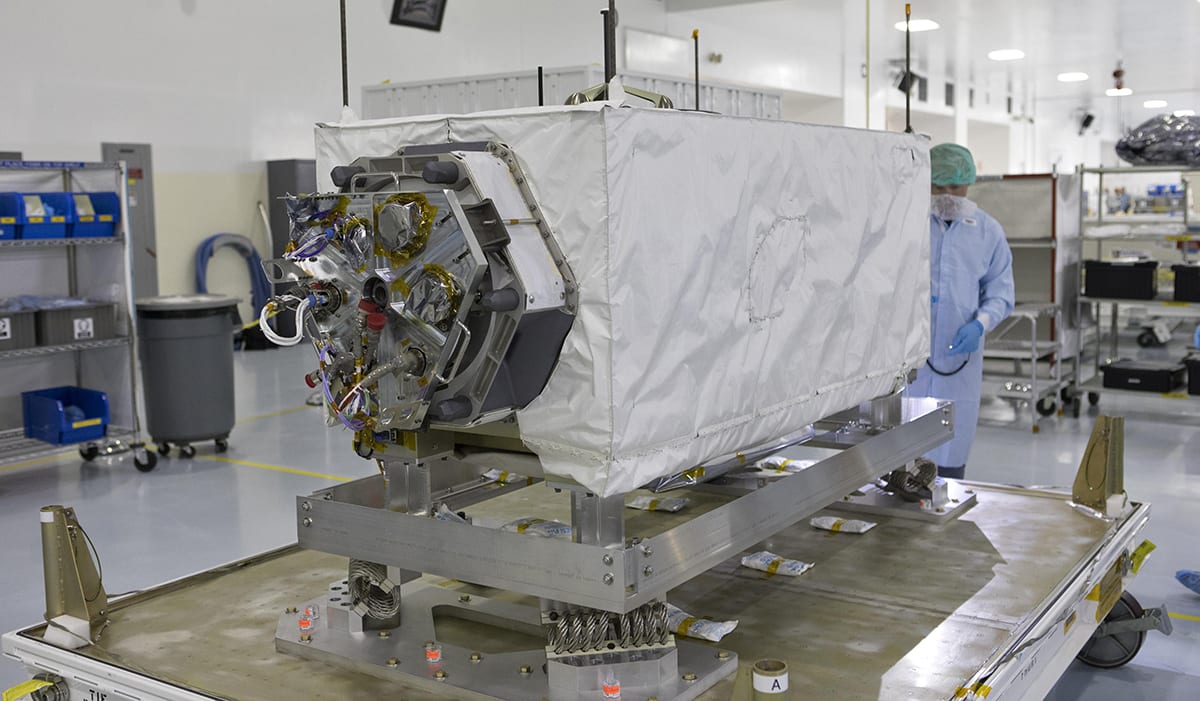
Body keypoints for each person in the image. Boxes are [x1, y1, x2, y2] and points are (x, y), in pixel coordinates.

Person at [908, 143, 1015, 479]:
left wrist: (980, 325)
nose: (947, 195)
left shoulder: (987, 232)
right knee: (900, 451)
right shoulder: (907, 226)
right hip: (909, 356)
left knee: (950, 454)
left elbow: (1001, 291)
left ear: (968, 183)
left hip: (959, 358)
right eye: (938, 186)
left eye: (954, 186)